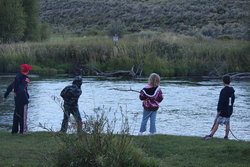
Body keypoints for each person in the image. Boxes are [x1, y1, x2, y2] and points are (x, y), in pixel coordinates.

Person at [3, 64, 32, 134]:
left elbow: (10, 87)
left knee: (16, 114)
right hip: (23, 99)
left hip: (17, 99)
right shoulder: (26, 78)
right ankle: (23, 131)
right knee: (23, 116)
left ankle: (14, 131)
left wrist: (5, 96)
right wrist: (26, 96)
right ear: (27, 70)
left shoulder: (17, 77)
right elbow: (22, 89)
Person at [204, 75, 235, 140]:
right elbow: (232, 100)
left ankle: (211, 135)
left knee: (217, 122)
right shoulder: (232, 90)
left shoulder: (223, 90)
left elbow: (221, 101)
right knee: (227, 123)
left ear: (223, 82)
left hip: (223, 110)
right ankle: (226, 136)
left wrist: (219, 110)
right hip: (229, 110)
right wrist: (230, 108)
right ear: (230, 81)